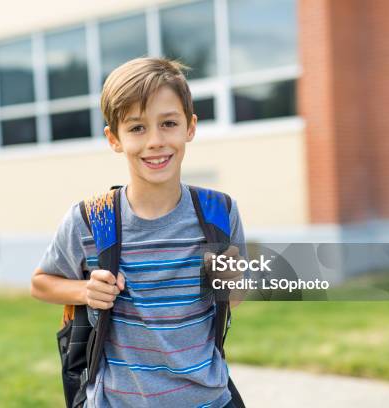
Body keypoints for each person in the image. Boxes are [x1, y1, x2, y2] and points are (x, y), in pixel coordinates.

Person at [31, 57, 247, 408]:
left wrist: (231, 281)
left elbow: (234, 300)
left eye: (169, 123)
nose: (155, 142)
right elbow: (40, 283)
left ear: (190, 127)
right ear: (114, 138)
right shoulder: (90, 219)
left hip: (210, 399)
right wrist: (86, 290)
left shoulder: (219, 213)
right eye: (137, 128)